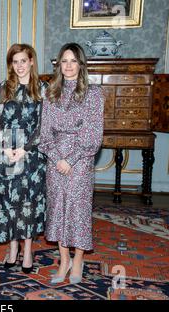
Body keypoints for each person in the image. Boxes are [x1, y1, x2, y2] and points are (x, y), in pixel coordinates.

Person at [38, 42, 104, 284]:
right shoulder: (50, 93)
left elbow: (93, 135)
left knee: (77, 210)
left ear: (81, 64)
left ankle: (78, 261)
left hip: (81, 162)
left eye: (73, 61)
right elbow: (44, 135)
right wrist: (57, 158)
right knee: (56, 210)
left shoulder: (93, 94)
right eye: (64, 61)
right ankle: (63, 260)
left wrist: (72, 159)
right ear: (58, 64)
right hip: (55, 162)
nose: (68, 66)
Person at [0, 44, 48, 274]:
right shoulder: (3, 88)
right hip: (6, 156)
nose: (20, 66)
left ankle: (28, 250)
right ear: (10, 64)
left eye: (24, 60)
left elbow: (45, 125)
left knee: (27, 205)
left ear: (32, 61)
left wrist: (24, 149)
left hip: (31, 157)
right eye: (15, 61)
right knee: (8, 204)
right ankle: (13, 249)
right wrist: (5, 149)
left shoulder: (43, 89)